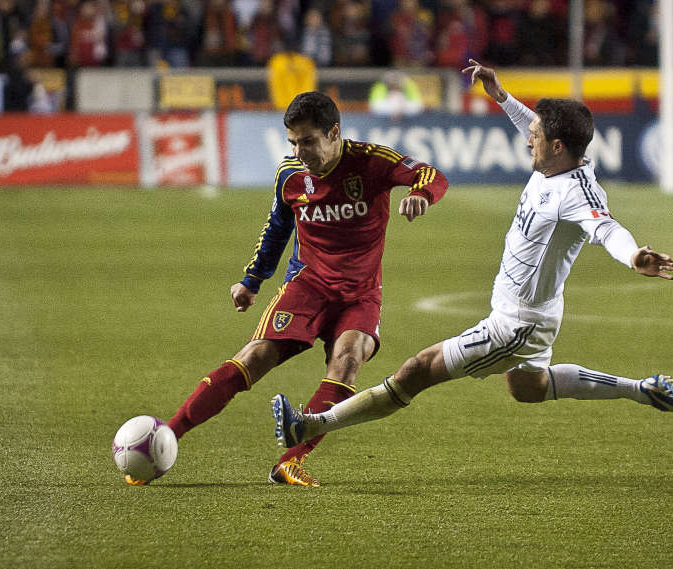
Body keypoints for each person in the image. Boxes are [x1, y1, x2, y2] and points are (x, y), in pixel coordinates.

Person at [272, 60, 673, 462]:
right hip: (532, 313)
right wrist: (500, 95)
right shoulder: (553, 164)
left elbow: (606, 228)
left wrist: (634, 255)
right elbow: (528, 126)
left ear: (556, 146)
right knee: (528, 387)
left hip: (517, 322)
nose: (527, 139)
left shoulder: (576, 192)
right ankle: (645, 390)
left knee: (416, 371)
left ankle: (310, 426)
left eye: (535, 135)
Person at [126, 91, 448, 487]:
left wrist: (420, 193)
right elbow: (278, 229)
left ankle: (291, 461)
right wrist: (251, 281)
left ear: (334, 132)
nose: (299, 151)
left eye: (308, 141)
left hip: (361, 293)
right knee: (256, 356)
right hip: (307, 285)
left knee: (349, 359)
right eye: (293, 142)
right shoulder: (291, 174)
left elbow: (431, 174)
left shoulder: (371, 161)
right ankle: (167, 435)